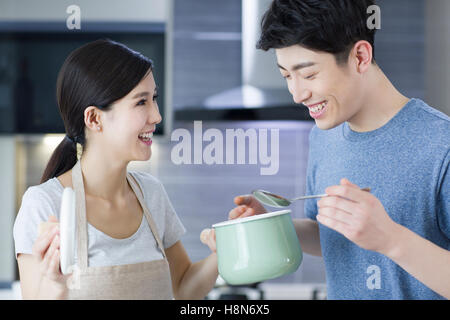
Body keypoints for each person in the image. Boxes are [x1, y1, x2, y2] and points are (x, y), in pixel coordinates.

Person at [227, 0, 450, 299]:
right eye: (286, 76)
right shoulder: (324, 137)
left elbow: (382, 239)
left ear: (360, 56)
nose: (297, 93)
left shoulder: (441, 145)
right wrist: (274, 226)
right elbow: (332, 236)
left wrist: (392, 239)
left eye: (308, 74)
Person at [13, 39, 218, 300]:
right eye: (141, 102)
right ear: (94, 118)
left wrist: (223, 253)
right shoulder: (45, 205)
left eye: (153, 98)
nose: (156, 116)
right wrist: (55, 284)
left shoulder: (152, 194)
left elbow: (183, 287)